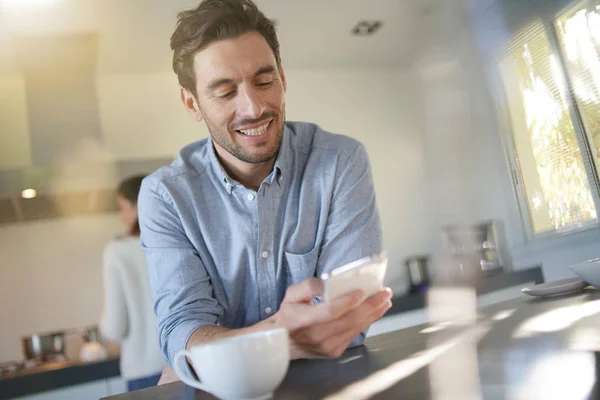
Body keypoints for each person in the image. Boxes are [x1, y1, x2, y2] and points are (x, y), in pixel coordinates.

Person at [137, 0, 393, 375]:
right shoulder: (165, 196)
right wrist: (280, 336)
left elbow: (345, 320)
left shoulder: (339, 161)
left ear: (283, 78)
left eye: (264, 80)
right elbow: (182, 331)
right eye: (225, 92)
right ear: (192, 103)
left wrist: (233, 346)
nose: (254, 108)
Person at [100, 175, 166, 391]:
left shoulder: (117, 251)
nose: (122, 217)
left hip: (143, 372)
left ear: (138, 205)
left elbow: (115, 327)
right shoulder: (177, 238)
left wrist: (101, 330)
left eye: (123, 208)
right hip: (185, 364)